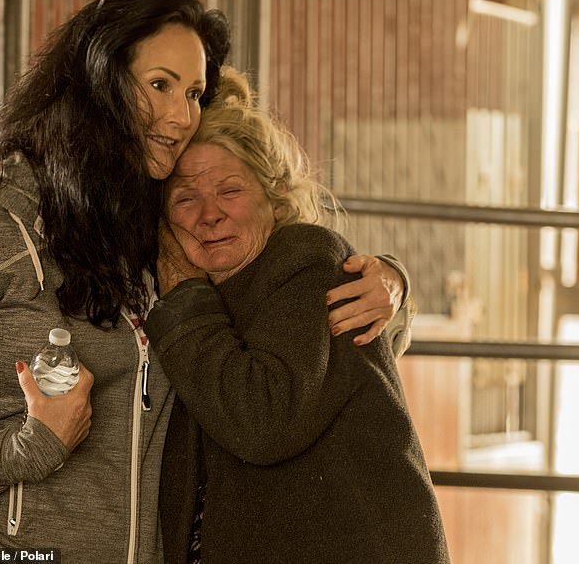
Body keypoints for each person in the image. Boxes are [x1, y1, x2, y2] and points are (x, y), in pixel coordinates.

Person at [0, 0, 409, 563]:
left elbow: (278, 285)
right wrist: (27, 450)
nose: (181, 115)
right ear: (99, 83)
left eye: (195, 92)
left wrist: (390, 283)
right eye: (160, 85)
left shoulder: (156, 218)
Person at [145, 66, 450, 563]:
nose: (209, 214)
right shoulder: (188, 282)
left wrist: (184, 299)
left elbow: (260, 418)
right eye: (185, 198)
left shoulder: (307, 261)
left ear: (275, 195)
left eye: (230, 190)